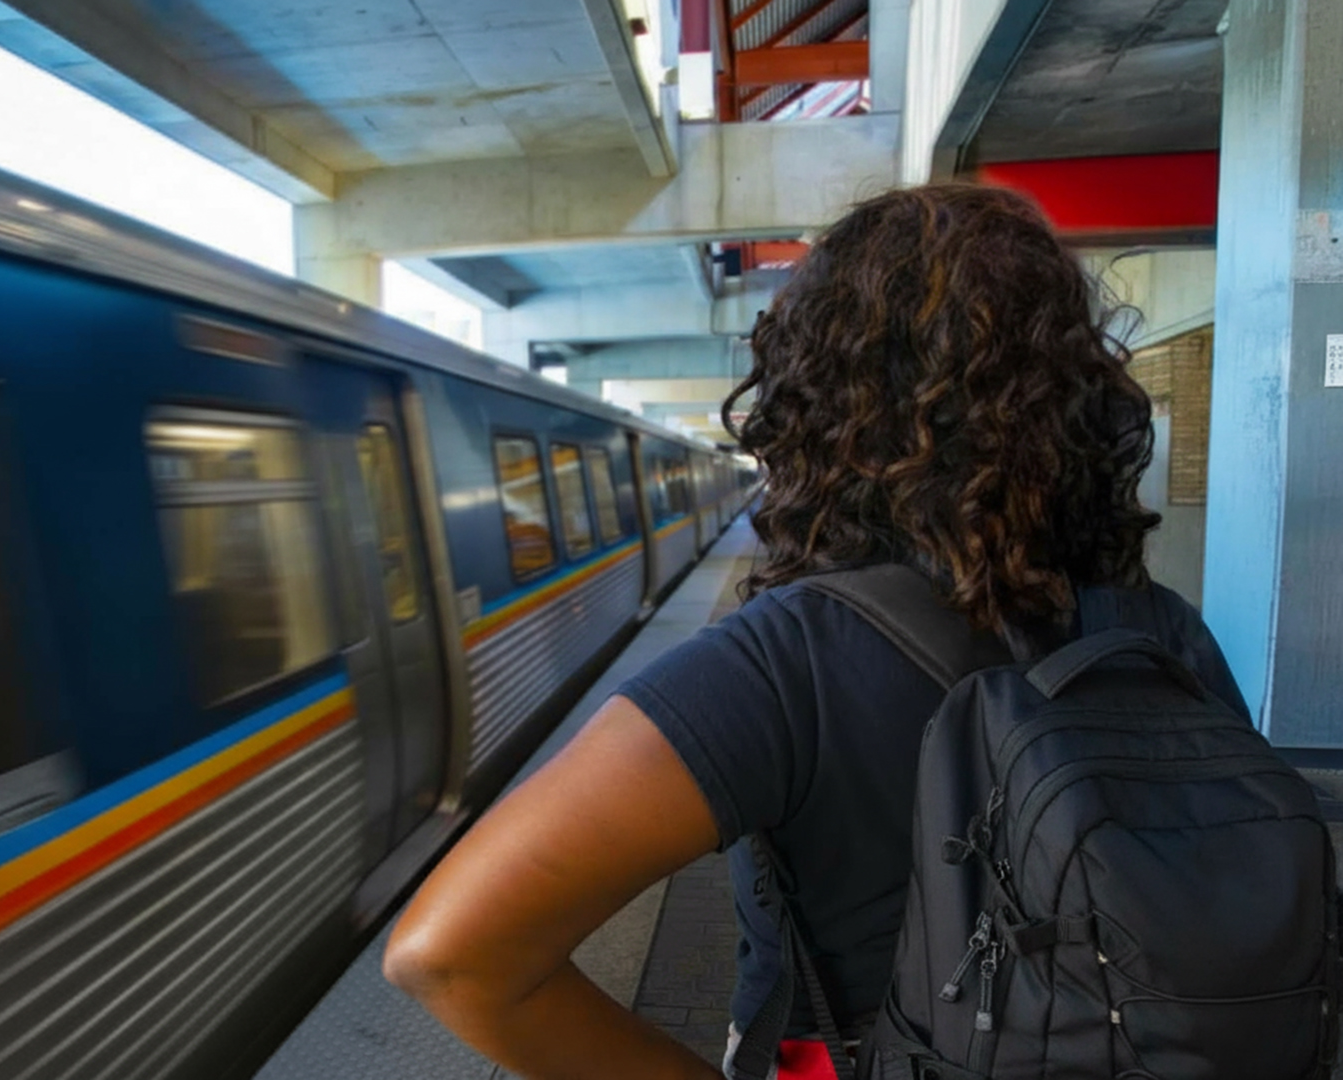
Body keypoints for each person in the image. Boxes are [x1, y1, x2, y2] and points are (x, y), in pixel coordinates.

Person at [380, 184, 1247, 1080]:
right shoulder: (1164, 634)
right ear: (1077, 396)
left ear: (815, 402)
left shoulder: (783, 663)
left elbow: (451, 956)